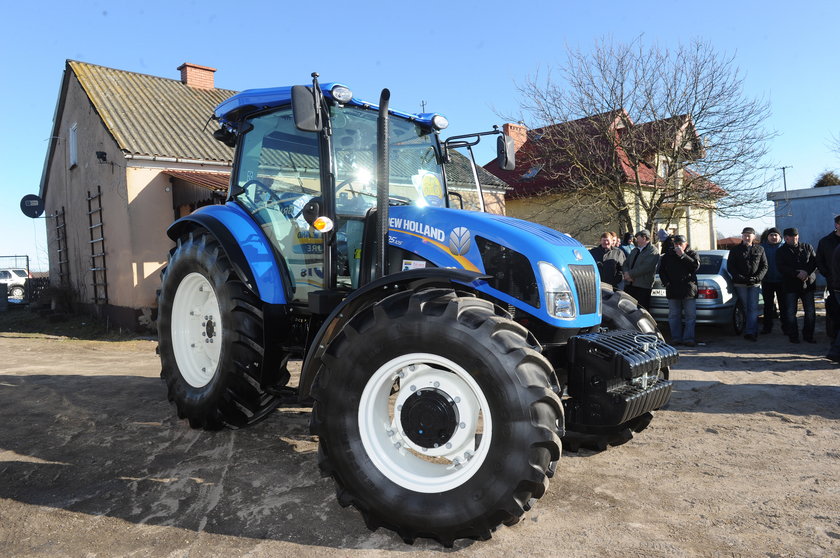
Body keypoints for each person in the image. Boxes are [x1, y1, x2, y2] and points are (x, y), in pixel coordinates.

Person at [657, 235, 700, 346]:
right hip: (673, 289)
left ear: (686, 244)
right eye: (676, 244)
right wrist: (667, 283)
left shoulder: (692, 253)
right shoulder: (668, 255)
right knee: (674, 315)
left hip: (688, 290)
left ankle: (688, 339)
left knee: (690, 316)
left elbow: (695, 267)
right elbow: (661, 271)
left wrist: (683, 256)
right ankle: (676, 338)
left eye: (680, 244)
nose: (678, 246)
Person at [776, 227, 817, 344]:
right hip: (790, 285)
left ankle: (808, 335)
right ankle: (793, 336)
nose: (794, 238)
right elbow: (781, 267)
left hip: (807, 284)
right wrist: (797, 273)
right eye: (791, 237)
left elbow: (814, 261)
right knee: (790, 312)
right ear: (785, 238)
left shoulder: (807, 247)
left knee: (810, 312)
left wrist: (806, 273)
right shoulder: (781, 251)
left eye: (796, 236)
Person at [727, 227, 768, 341]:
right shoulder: (735, 250)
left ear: (754, 237)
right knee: (746, 307)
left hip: (754, 284)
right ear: (742, 236)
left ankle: (751, 332)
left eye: (749, 235)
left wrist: (757, 278)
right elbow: (731, 267)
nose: (746, 237)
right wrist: (740, 278)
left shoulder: (760, 249)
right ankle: (749, 329)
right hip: (740, 284)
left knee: (753, 308)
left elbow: (764, 266)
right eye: (744, 235)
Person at [815, 214, 840, 339]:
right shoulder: (825, 242)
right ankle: (835, 338)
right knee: (835, 311)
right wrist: (828, 275)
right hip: (834, 283)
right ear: (836, 225)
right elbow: (819, 261)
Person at [623, 229, 660, 310]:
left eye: (638, 238)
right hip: (630, 285)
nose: (636, 240)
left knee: (641, 310)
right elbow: (626, 263)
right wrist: (626, 273)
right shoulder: (635, 250)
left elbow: (645, 268)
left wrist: (630, 274)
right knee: (627, 310)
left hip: (643, 286)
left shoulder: (653, 251)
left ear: (644, 238)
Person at [760, 227, 787, 334]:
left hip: (782, 281)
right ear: (768, 237)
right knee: (768, 306)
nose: (774, 237)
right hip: (767, 281)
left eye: (776, 235)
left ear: (780, 237)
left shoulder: (785, 247)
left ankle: (786, 327)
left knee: (784, 305)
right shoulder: (762, 248)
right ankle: (767, 327)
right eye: (771, 235)